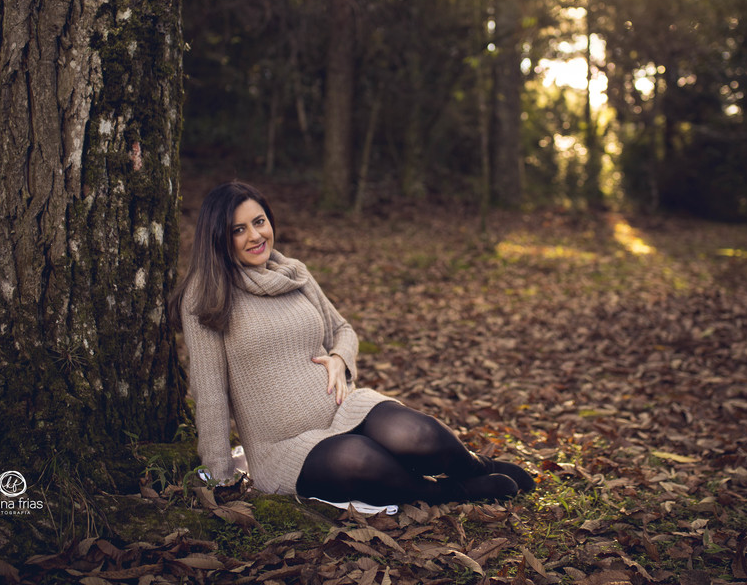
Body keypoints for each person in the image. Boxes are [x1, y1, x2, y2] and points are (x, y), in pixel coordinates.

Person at [169, 181, 536, 509]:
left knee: (422, 434)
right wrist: (219, 475)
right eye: (239, 229)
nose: (255, 236)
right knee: (365, 460)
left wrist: (338, 358)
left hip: (344, 408)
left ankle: (475, 467)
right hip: (284, 447)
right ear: (218, 236)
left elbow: (343, 329)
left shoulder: (292, 272)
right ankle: (448, 493)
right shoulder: (207, 295)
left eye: (259, 221)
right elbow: (210, 392)